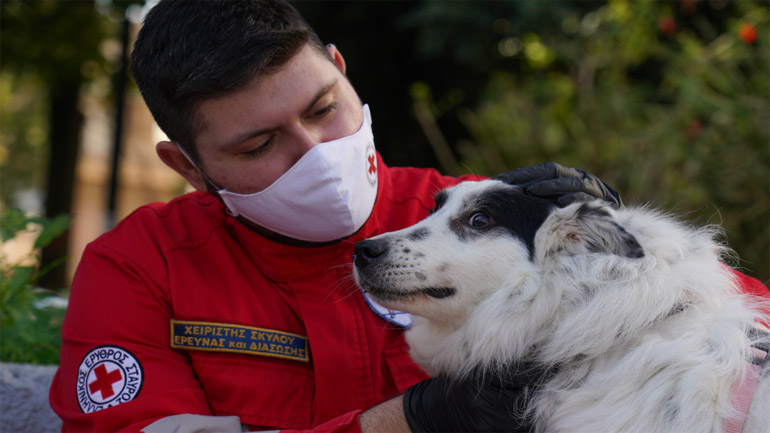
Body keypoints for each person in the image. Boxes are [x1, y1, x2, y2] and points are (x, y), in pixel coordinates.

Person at [49, 1, 769, 432]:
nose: (317, 153)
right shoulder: (142, 271)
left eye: (323, 107)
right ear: (188, 168)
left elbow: (743, 342)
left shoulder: (479, 219)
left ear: (340, 68)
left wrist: (631, 265)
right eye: (260, 143)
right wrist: (414, 420)